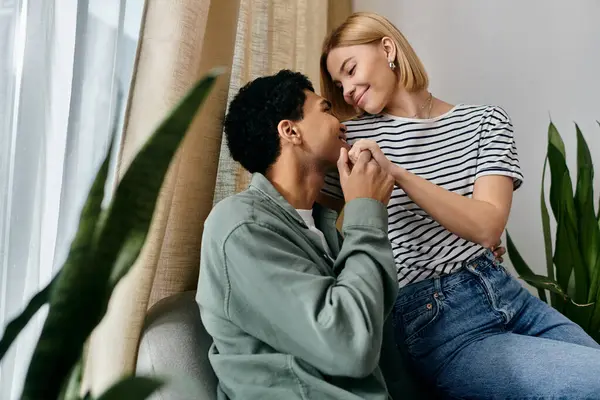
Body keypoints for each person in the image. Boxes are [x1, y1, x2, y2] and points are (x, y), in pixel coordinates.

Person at [319, 11, 600, 399]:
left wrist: (396, 173)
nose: (347, 90)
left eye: (350, 70)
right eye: (339, 83)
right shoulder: (351, 142)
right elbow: (299, 184)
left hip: (505, 292)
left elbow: (487, 225)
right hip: (436, 321)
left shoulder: (485, 122)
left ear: (387, 48)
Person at [196, 70, 400, 399]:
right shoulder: (240, 226)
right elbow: (351, 345)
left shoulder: (320, 228)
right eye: (326, 109)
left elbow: (376, 327)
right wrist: (365, 211)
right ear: (290, 131)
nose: (343, 123)